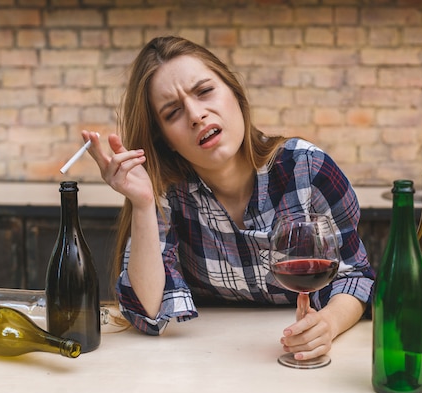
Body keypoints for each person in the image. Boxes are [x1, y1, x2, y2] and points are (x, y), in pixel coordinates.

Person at [81, 36, 374, 362]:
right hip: (207, 360)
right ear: (166, 141)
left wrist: (328, 324)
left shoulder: (307, 168)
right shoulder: (167, 192)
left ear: (235, 94)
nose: (195, 115)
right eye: (173, 112)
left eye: (204, 91)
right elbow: (148, 312)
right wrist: (143, 202)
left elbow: (355, 276)